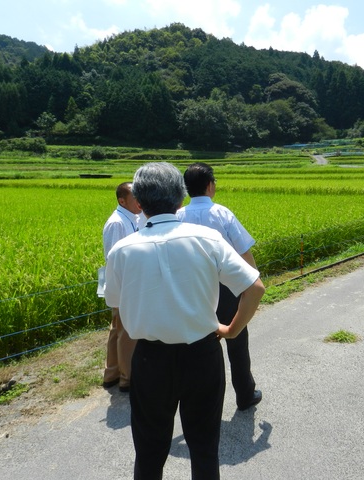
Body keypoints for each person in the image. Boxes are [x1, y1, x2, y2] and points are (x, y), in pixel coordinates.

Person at [104, 162, 265, 480]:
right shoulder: (207, 239)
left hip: (150, 359)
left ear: (140, 200)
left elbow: (117, 305)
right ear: (180, 197)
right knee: (204, 450)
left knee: (149, 454)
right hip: (202, 356)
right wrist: (232, 330)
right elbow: (254, 288)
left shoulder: (122, 250)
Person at [176, 162, 262, 411]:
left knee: (197, 343)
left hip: (192, 289)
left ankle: (199, 402)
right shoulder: (223, 214)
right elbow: (243, 250)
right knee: (236, 341)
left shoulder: (179, 216)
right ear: (211, 185)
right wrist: (252, 280)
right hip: (227, 288)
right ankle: (245, 395)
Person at [101, 182, 145, 393]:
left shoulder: (131, 219)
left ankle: (112, 373)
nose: (139, 202)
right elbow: (114, 258)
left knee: (117, 328)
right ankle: (127, 378)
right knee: (126, 331)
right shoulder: (117, 223)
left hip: (124, 281)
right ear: (122, 200)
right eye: (135, 197)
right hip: (124, 282)